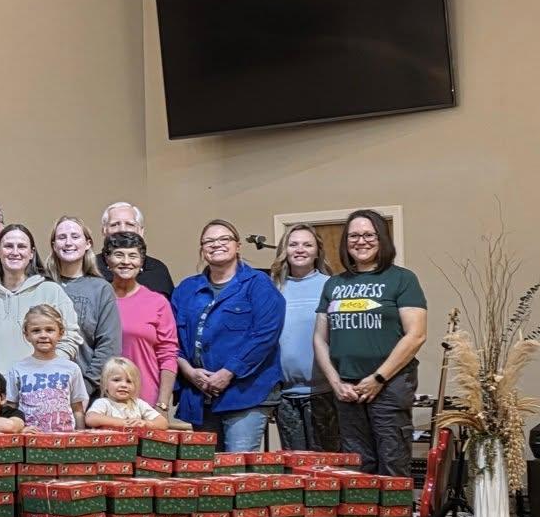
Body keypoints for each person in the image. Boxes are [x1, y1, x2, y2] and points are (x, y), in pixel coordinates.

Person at [315, 210, 428, 497]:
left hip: (389, 386)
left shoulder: (402, 279)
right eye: (354, 235)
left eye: (369, 235)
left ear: (382, 239)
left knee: (392, 462)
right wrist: (335, 382)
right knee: (357, 466)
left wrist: (378, 377)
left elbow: (416, 335)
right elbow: (319, 338)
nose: (361, 241)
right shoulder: (334, 284)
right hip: (347, 388)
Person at [171, 218, 284, 451]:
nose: (216, 244)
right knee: (206, 472)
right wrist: (188, 371)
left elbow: (265, 335)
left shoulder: (258, 284)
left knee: (236, 470)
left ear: (238, 246)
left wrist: (228, 372)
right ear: (202, 249)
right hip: (199, 395)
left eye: (224, 239)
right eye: (209, 241)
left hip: (246, 394)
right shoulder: (186, 289)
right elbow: (172, 339)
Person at [0, 224, 83, 374]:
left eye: (22, 246)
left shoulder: (51, 291)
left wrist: (46, 375)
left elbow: (70, 337)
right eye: (8, 246)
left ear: (31, 253)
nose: (15, 252)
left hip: (41, 386)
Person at [273, 224, 338, 453]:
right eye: (293, 244)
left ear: (317, 252)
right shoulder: (274, 288)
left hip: (324, 394)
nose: (300, 250)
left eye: (307, 244)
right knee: (294, 467)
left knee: (326, 466)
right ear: (284, 250)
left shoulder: (331, 285)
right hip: (285, 396)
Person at [47, 215, 125, 396]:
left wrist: (85, 388)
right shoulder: (40, 284)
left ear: (88, 243)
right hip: (39, 390)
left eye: (75, 236)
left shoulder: (100, 289)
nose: (68, 242)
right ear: (53, 245)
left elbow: (109, 346)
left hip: (85, 392)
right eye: (61, 237)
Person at [105, 231, 177, 409]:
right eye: (119, 254)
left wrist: (162, 403)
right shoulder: (99, 298)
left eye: (133, 256)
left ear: (141, 262)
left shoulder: (157, 302)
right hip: (103, 403)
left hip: (146, 401)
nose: (126, 261)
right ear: (108, 261)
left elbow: (168, 354)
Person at [6, 305, 88, 433]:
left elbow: (77, 408)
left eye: (49, 330)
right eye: (36, 331)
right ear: (26, 334)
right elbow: (11, 407)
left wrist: (81, 438)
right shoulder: (18, 369)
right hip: (30, 441)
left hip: (65, 440)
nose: (43, 335)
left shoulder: (71, 368)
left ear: (61, 333)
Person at [103, 203, 175, 296]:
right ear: (104, 231)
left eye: (130, 224)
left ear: (141, 231)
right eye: (114, 224)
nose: (122, 229)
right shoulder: (90, 268)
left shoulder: (158, 270)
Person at [86, 357, 166, 428]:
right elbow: (90, 418)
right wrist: (122, 423)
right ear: (105, 384)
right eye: (116, 380)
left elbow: (163, 422)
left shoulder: (138, 404)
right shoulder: (103, 403)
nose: (124, 385)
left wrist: (146, 423)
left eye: (129, 381)